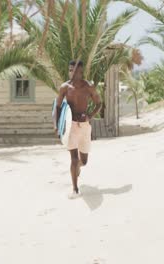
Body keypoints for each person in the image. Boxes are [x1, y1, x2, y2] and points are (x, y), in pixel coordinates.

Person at [55, 60, 102, 199]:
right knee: (74, 159)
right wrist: (57, 126)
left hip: (84, 126)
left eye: (75, 71)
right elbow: (57, 107)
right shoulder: (64, 87)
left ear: (81, 72)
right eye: (70, 70)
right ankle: (75, 189)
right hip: (71, 126)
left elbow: (99, 103)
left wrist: (90, 115)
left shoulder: (89, 87)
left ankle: (78, 168)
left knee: (84, 161)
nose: (72, 73)